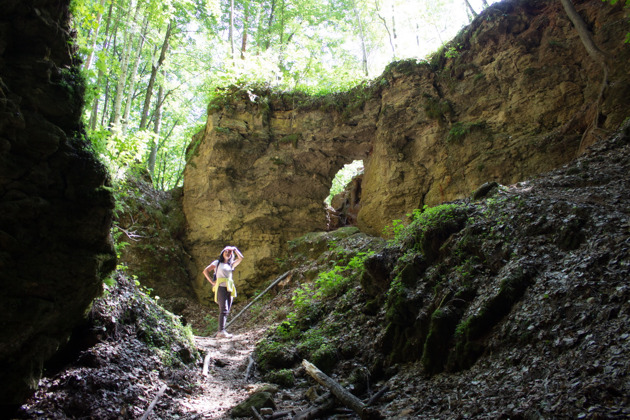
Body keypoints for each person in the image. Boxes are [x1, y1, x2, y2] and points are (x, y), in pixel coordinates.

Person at [203, 246, 244, 338]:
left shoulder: (231, 265)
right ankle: (221, 331)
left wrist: (235, 249)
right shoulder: (217, 263)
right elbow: (205, 271)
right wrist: (212, 282)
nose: (228, 253)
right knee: (224, 309)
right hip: (221, 287)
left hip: (229, 288)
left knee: (227, 310)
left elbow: (241, 258)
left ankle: (222, 331)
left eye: (229, 253)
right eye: (226, 251)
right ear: (222, 253)